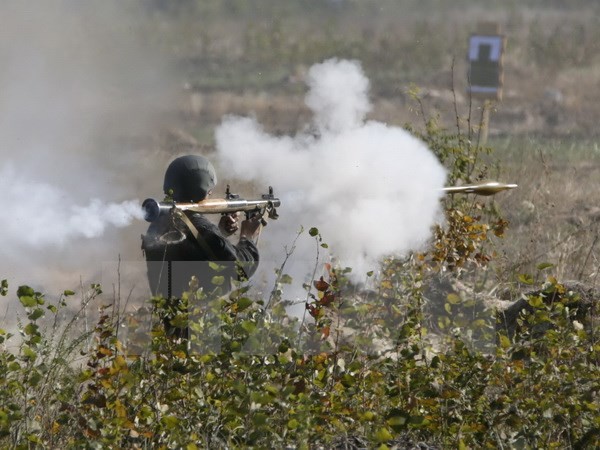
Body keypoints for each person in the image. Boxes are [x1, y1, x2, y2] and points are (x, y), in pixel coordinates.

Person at [141, 154, 262, 338]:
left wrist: (220, 232)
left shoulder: (159, 225)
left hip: (173, 328)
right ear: (204, 189)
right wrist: (247, 237)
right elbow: (241, 269)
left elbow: (196, 259)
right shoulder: (200, 227)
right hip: (202, 332)